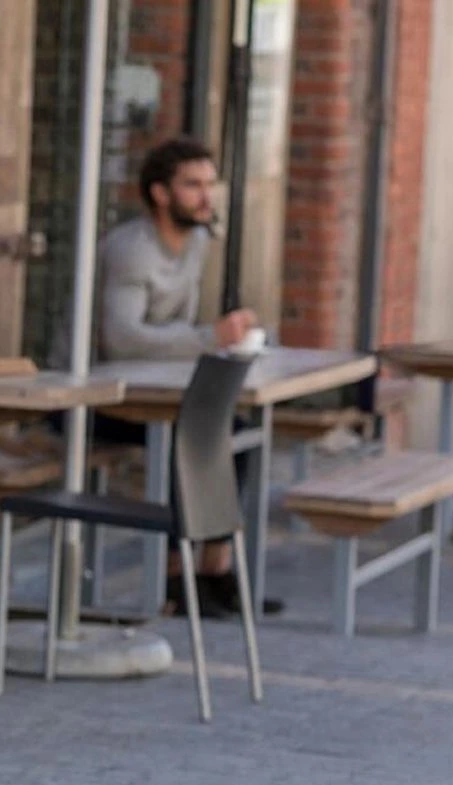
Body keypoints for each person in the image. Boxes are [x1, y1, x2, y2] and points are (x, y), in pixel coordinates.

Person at [96, 137, 280, 617]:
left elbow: (176, 332)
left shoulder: (196, 243)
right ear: (160, 194)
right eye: (193, 185)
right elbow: (122, 339)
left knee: (234, 433)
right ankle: (178, 575)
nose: (207, 197)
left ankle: (213, 568)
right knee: (197, 437)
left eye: (209, 184)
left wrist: (222, 338)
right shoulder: (130, 250)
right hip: (100, 397)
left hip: (158, 390)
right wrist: (208, 337)